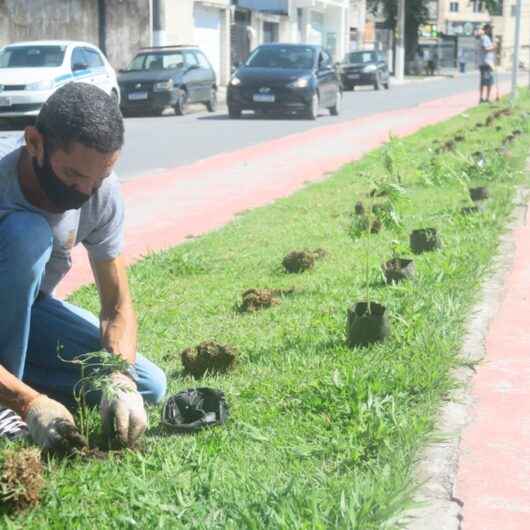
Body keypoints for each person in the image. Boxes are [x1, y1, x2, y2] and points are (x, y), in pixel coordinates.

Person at [0, 83, 167, 451]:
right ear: (33, 143)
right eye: (73, 176)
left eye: (99, 178)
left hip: (26, 312)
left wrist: (120, 379)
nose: (85, 192)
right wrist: (27, 404)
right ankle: (7, 402)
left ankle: (16, 381)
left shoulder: (100, 193)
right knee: (29, 235)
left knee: (149, 385)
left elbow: (117, 305)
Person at [478, 23, 496, 103]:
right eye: (490, 29)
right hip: (486, 63)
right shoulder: (484, 38)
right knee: (487, 81)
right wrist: (494, 47)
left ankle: (485, 98)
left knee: (488, 81)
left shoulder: (488, 38)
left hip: (488, 62)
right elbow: (485, 49)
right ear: (486, 29)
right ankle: (484, 98)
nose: (491, 30)